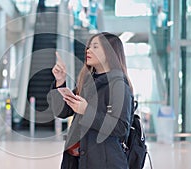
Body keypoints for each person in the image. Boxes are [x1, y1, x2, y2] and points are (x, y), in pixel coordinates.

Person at [48, 32, 134, 169]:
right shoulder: (88, 82)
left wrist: (86, 111)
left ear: (109, 52)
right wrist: (60, 82)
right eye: (88, 47)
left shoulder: (118, 85)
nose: (88, 50)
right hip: (79, 159)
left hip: (104, 162)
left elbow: (121, 127)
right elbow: (62, 112)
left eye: (95, 47)